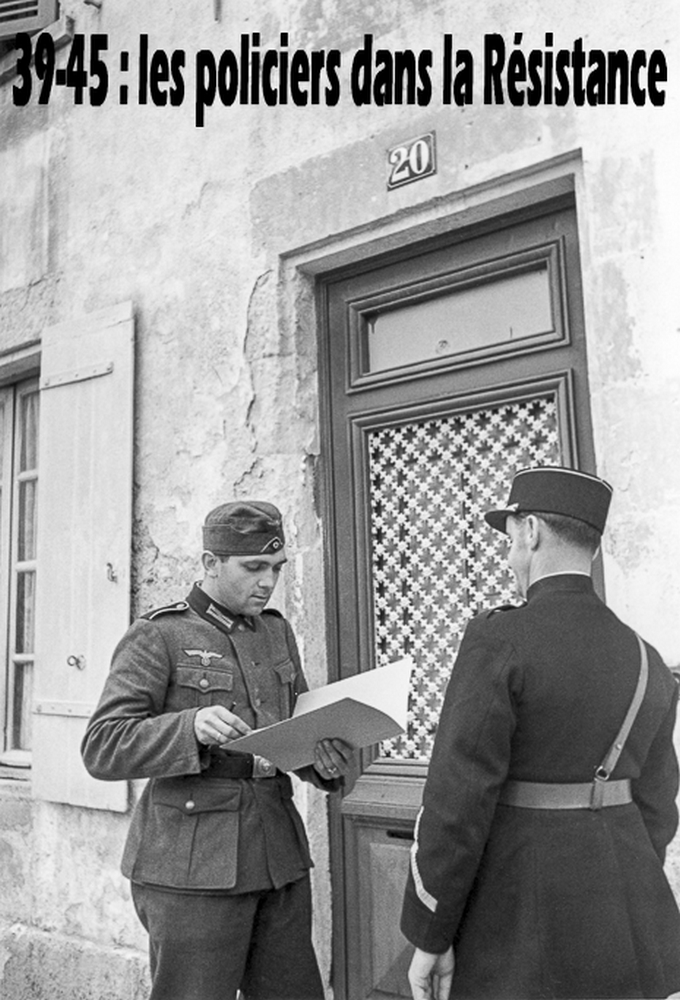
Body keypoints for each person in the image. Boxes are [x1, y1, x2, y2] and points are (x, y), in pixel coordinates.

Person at [400, 466, 680, 1000]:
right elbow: (658, 807)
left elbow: (457, 802)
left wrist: (431, 932)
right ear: (593, 548)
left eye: (509, 541)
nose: (509, 558)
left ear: (529, 532)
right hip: (626, 917)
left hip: (519, 918)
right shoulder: (648, 659)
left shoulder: (499, 639)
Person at [81, 500, 354, 1000]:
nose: (268, 582)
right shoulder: (159, 635)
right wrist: (189, 727)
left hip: (278, 858)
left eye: (276, 569)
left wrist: (321, 761)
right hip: (192, 867)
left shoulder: (277, 632)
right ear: (210, 564)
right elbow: (102, 746)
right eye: (253, 568)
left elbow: (293, 728)